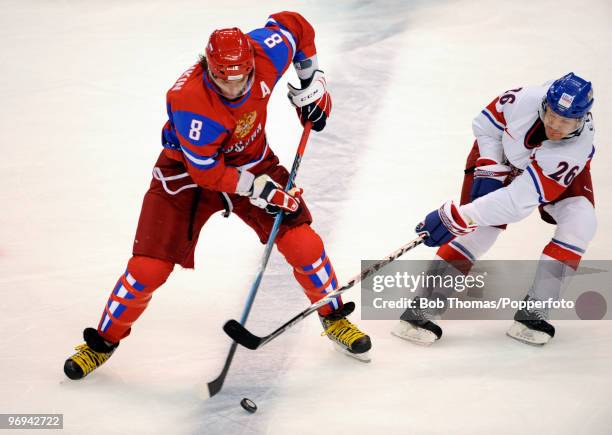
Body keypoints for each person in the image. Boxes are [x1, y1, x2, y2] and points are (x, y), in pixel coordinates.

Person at [64, 11, 372, 380]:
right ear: (209, 69)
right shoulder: (190, 103)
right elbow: (207, 173)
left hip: (253, 161)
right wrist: (261, 190)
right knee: (148, 268)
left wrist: (312, 84)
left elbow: (296, 25)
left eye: (243, 78)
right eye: (225, 81)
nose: (235, 88)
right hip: (186, 176)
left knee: (304, 244)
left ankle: (333, 317)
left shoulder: (264, 53)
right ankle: (101, 342)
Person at [393, 72, 596, 346]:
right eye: (551, 116)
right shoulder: (524, 98)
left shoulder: (572, 150)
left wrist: (463, 215)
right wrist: (490, 163)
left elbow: (517, 203)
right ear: (544, 105)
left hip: (542, 171)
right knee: (478, 232)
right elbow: (485, 125)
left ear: (581, 120)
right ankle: (420, 311)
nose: (555, 126)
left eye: (565, 122)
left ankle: (534, 312)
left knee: (580, 221)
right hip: (501, 155)